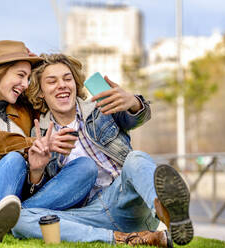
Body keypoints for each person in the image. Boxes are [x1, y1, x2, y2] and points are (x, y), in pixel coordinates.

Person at [12, 53, 193, 247]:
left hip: (125, 200)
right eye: (52, 81)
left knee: (136, 158)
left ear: (75, 84)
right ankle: (125, 239)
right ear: (41, 92)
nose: (62, 85)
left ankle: (168, 213)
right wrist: (37, 171)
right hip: (87, 213)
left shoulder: (101, 108)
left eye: (67, 79)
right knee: (19, 219)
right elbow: (49, 196)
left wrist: (133, 102)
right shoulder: (38, 133)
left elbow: (138, 117)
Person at [0, 41, 97, 243]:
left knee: (86, 167)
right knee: (14, 158)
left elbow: (53, 90)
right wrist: (31, 144)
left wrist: (39, 63)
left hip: (24, 197)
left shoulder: (24, 109)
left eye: (27, 77)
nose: (25, 84)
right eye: (20, 75)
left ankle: (14, 219)